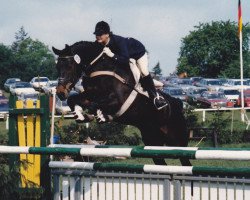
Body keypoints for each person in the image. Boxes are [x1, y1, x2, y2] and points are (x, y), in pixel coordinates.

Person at [93, 21, 167, 110]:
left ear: (107, 34)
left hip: (138, 53)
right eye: (96, 34)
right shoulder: (98, 43)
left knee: (143, 71)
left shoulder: (119, 41)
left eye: (100, 34)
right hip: (127, 56)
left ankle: (156, 98)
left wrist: (112, 55)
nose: (98, 36)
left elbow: (124, 60)